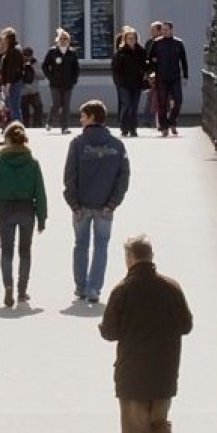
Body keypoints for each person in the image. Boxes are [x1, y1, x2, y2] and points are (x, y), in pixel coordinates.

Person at [99, 234, 194, 433]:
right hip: (164, 372)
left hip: (133, 376)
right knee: (160, 425)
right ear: (151, 256)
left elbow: (110, 332)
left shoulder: (122, 291)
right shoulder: (171, 287)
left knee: (134, 432)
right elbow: (186, 325)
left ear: (129, 257)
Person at [63, 98, 130, 304]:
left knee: (80, 245)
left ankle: (81, 287)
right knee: (101, 246)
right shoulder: (117, 145)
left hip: (81, 205)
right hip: (105, 207)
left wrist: (73, 204)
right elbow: (123, 177)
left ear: (91, 117)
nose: (80, 119)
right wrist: (113, 203)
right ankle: (94, 288)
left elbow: (70, 176)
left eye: (83, 116)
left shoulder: (77, 143)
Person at [0, 121, 49, 306]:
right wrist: (41, 217)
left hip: (6, 209)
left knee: (6, 250)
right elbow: (40, 191)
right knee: (25, 251)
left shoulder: (0, 162)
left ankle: (8, 286)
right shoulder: (32, 162)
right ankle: (22, 291)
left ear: (7, 139)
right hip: (26, 209)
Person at [146, 20, 189, 136]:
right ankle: (164, 126)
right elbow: (149, 59)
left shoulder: (178, 43)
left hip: (175, 76)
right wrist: (151, 72)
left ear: (171, 30)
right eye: (162, 30)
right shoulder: (157, 43)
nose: (164, 32)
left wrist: (185, 76)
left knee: (178, 100)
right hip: (161, 77)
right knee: (162, 103)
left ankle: (172, 121)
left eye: (166, 30)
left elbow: (183, 61)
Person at [110, 25, 149, 138]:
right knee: (127, 105)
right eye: (129, 39)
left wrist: (147, 73)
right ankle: (124, 128)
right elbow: (115, 69)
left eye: (133, 38)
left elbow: (145, 66)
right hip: (124, 84)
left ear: (136, 39)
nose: (131, 41)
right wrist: (119, 82)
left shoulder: (141, 51)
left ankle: (133, 128)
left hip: (137, 83)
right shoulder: (121, 52)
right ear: (125, 40)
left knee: (135, 106)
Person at [41, 29, 81, 131]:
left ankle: (64, 127)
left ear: (69, 40)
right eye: (62, 38)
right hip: (55, 83)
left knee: (66, 106)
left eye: (66, 39)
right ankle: (49, 122)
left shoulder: (72, 52)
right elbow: (45, 65)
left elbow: (76, 68)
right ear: (58, 40)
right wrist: (50, 77)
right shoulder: (52, 51)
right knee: (56, 104)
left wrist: (74, 79)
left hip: (68, 83)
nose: (63, 40)